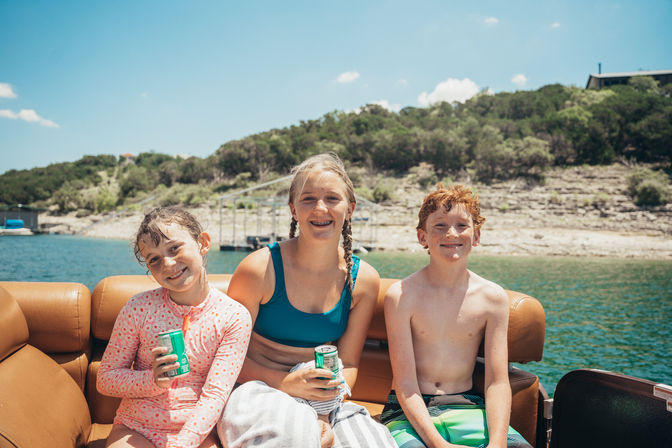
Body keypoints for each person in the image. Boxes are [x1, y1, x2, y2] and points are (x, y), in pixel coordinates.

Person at [218, 153, 396, 447]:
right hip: (257, 389)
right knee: (296, 438)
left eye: (332, 198)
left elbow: (349, 363)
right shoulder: (259, 269)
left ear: (350, 209)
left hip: (325, 395)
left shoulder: (362, 280)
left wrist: (323, 411)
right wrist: (286, 383)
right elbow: (224, 356)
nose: (320, 208)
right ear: (293, 209)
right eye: (308, 199)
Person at [381, 184, 532, 448]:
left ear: (476, 235)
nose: (451, 233)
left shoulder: (492, 298)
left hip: (468, 406)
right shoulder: (401, 296)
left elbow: (497, 382)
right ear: (422, 237)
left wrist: (497, 443)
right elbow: (405, 384)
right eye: (439, 226)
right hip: (408, 411)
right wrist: (439, 445)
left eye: (462, 225)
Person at [97, 206, 252, 448]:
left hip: (198, 433)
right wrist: (153, 380)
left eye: (175, 248)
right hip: (135, 428)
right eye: (154, 259)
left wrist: (183, 444)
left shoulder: (233, 317)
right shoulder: (138, 308)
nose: (168, 264)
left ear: (203, 243)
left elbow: (215, 394)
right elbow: (105, 379)